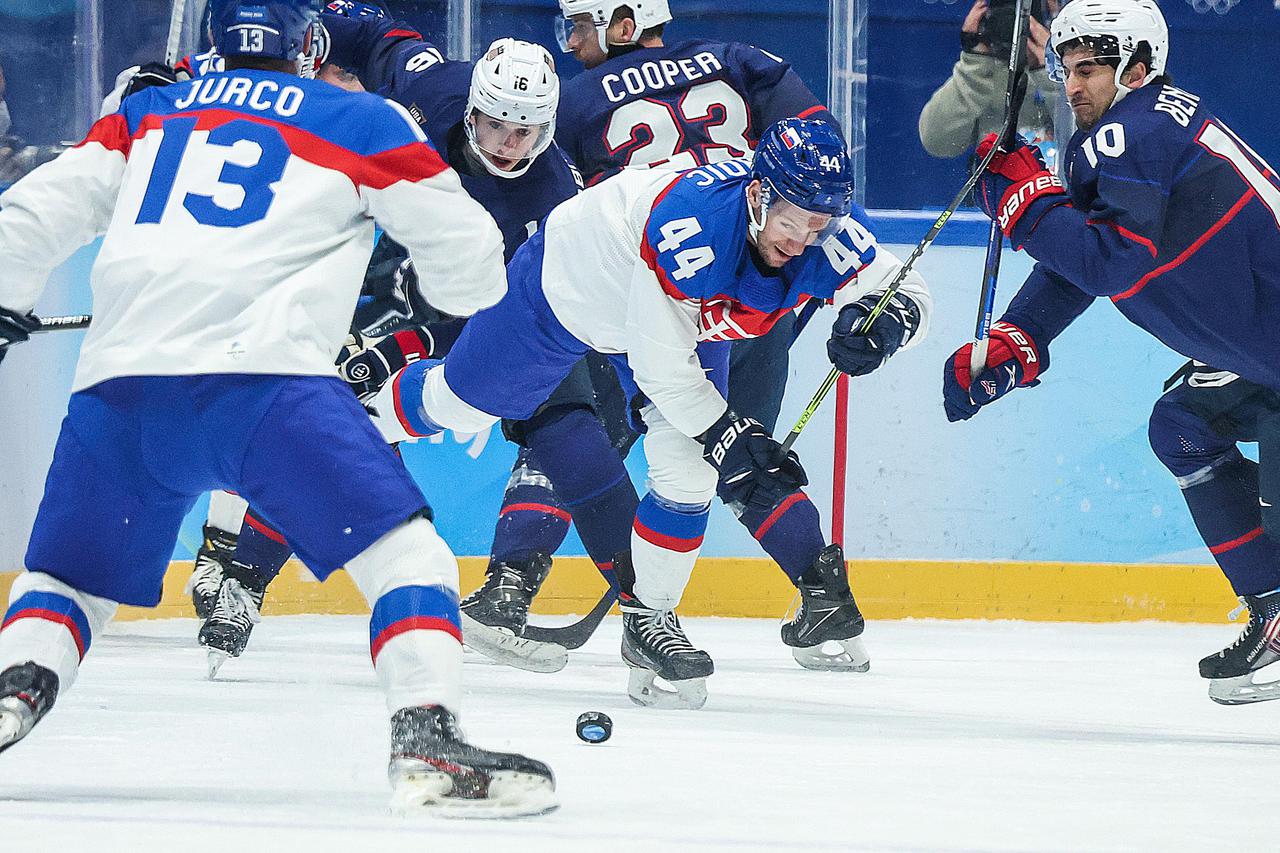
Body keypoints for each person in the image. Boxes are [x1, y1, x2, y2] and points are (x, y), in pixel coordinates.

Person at [0, 0, 556, 816]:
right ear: (307, 47)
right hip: (269, 388)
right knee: (412, 561)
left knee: (69, 581)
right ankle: (427, 734)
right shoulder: (361, 116)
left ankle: (15, 691)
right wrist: (447, 294)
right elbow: (470, 259)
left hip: (117, 391)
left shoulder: (149, 109)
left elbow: (30, 214)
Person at [375, 118, 932, 708]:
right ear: (758, 195)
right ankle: (364, 420)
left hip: (682, 316)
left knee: (690, 470)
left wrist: (887, 322)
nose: (799, 242)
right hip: (568, 288)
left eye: (816, 226)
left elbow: (909, 287)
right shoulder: (690, 233)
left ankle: (649, 622)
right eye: (790, 222)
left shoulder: (822, 229)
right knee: (457, 406)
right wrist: (728, 436)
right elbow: (660, 367)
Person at [195, 6, 638, 676]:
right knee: (327, 429)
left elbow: (559, 303)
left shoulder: (556, 197)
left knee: (576, 436)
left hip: (500, 319)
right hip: (393, 282)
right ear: (471, 110)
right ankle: (244, 580)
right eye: (495, 124)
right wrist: (304, 19)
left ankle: (646, 614)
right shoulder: (433, 92)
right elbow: (374, 34)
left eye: (525, 130)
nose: (509, 142)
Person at [940, 0, 1280, 705]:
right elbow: (1090, 257)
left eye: (1090, 68)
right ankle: (1274, 614)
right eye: (1067, 69)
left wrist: (1026, 204)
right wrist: (1021, 336)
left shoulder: (1138, 131)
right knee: (1183, 424)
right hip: (1268, 364)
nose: (1073, 84)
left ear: (1139, 65)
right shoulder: (1139, 128)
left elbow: (1112, 261)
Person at [918, 0, 1063, 163]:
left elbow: (1081, 133)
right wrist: (975, 59)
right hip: (1001, 184)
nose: (1010, 27)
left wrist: (1052, 68)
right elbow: (938, 142)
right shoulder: (984, 76)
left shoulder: (1076, 70)